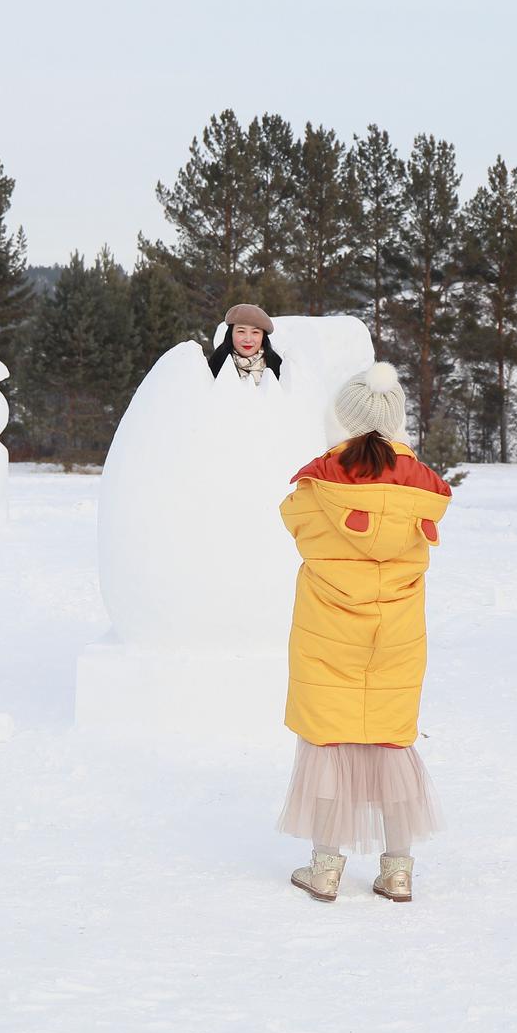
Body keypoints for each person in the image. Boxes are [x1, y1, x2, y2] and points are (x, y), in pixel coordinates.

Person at [276, 363, 451, 903]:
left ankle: (325, 869)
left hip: (328, 628)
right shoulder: (420, 486)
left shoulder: (318, 484)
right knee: (390, 740)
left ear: (342, 419)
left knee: (327, 740)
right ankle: (398, 871)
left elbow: (293, 519)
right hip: (395, 631)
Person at [206, 303, 283, 383]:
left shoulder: (278, 366)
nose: (248, 339)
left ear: (263, 336)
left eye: (255, 332)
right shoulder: (215, 364)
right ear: (231, 334)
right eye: (241, 331)